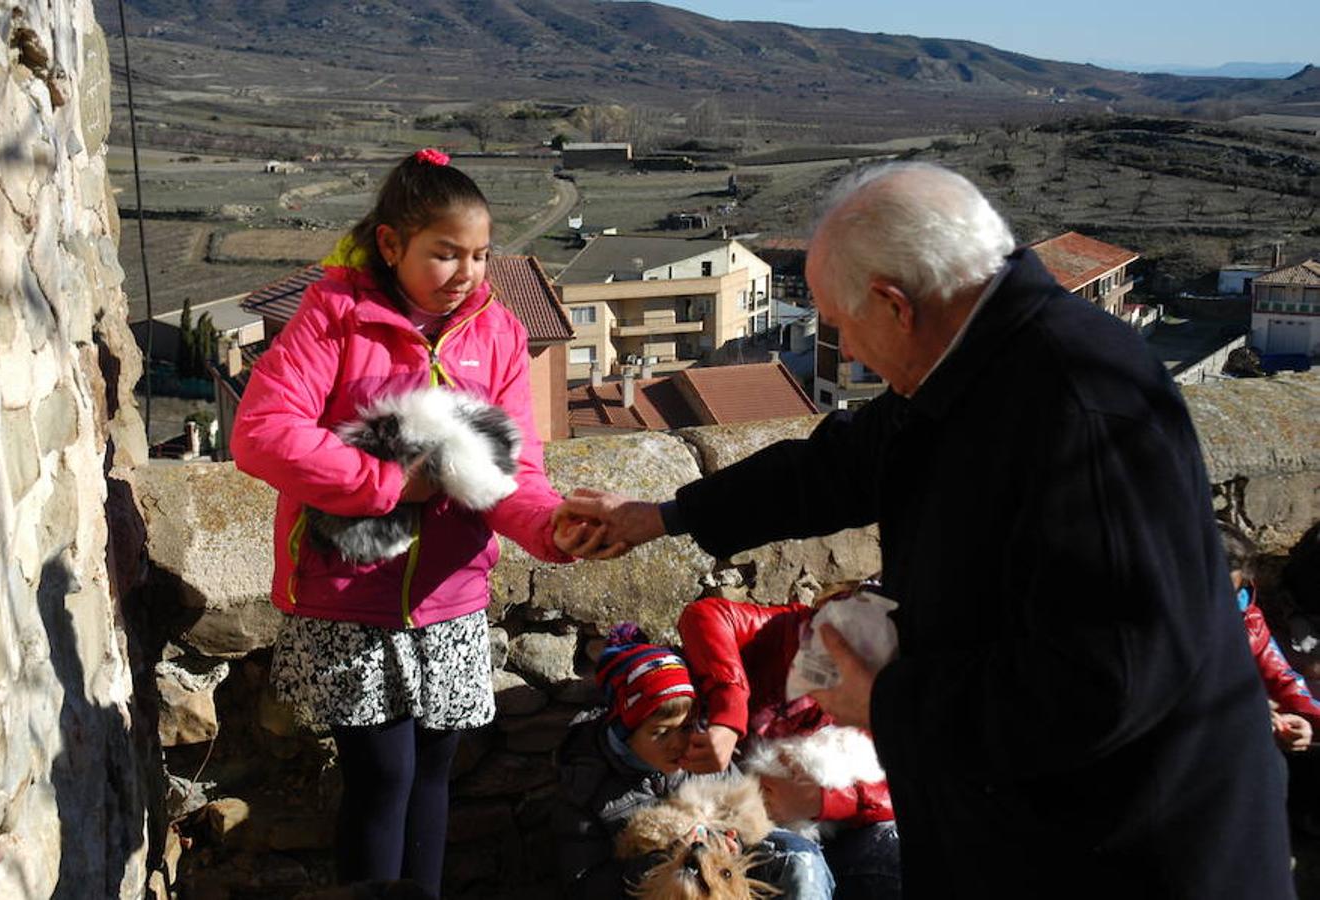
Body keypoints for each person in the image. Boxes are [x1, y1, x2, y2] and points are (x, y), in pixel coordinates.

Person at [563, 162, 1295, 896]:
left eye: (843, 326)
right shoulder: (982, 361)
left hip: (1127, 850)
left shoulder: (1077, 410)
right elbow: (846, 461)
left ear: (894, 304)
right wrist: (662, 516)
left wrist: (888, 702)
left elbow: (1107, 683)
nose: (845, 351)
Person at [231, 148, 614, 894]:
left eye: (478, 254)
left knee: (435, 772)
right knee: (383, 774)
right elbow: (263, 432)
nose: (467, 271)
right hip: (350, 594)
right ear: (390, 244)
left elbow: (510, 471)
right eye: (445, 253)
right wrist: (386, 481)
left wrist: (548, 527)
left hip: (450, 597)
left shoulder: (497, 334)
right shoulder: (335, 318)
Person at [553, 625, 835, 899]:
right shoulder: (587, 786)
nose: (678, 743)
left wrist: (730, 842)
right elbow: (586, 885)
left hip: (721, 880)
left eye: (686, 727)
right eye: (661, 733)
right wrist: (666, 860)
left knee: (799, 859)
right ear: (624, 732)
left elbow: (749, 815)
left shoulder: (703, 757)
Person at [678, 592, 899, 899]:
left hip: (837, 827)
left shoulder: (891, 687)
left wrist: (822, 801)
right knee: (802, 867)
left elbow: (909, 782)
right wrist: (729, 716)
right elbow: (703, 615)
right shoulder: (782, 631)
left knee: (899, 852)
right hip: (753, 825)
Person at [1216, 520, 1320, 751]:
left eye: (1235, 591)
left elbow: (1284, 680)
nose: (1227, 603)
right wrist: (1252, 712)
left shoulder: (1249, 620)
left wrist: (1306, 723)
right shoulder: (1165, 633)